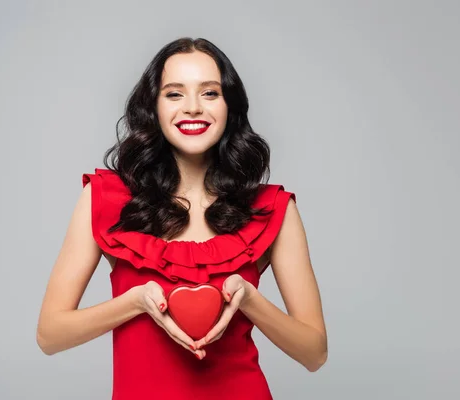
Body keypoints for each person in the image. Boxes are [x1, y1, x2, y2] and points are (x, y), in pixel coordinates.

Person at [36, 37, 327, 400]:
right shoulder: (105, 200)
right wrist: (135, 301)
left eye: (209, 93)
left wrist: (250, 300)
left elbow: (314, 353)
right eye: (174, 94)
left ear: (229, 107)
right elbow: (50, 335)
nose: (192, 108)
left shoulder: (273, 208)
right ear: (154, 107)